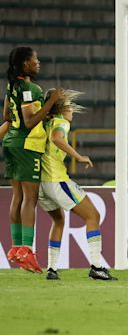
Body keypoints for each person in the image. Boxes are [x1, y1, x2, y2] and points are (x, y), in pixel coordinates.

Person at [38, 90, 117, 280]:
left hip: (42, 184)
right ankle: (97, 266)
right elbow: (57, 138)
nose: (72, 110)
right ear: (62, 109)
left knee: (58, 221)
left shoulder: (45, 123)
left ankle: (52, 269)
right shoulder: (60, 122)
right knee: (93, 215)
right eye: (69, 106)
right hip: (57, 180)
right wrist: (79, 157)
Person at [3, 47, 64, 273]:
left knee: (17, 197)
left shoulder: (13, 85)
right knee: (30, 199)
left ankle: (17, 247)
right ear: (25, 63)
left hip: (11, 143)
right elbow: (29, 122)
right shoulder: (30, 88)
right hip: (27, 146)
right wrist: (50, 103)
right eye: (34, 59)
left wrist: (41, 112)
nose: (38, 62)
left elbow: (7, 117)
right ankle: (27, 250)